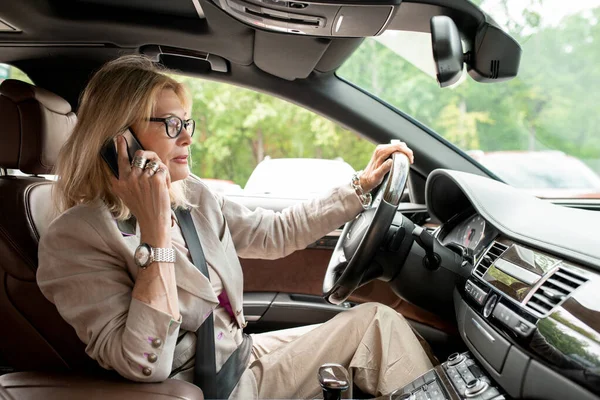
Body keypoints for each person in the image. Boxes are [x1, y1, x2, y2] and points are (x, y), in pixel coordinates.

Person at [37, 55, 432, 399]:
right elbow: (144, 363)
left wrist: (359, 187)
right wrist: (155, 231)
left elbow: (274, 233)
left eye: (187, 122)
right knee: (377, 327)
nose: (189, 137)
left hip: (240, 356)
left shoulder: (190, 196)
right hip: (208, 389)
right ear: (119, 140)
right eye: (172, 124)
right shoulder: (75, 238)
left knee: (377, 324)